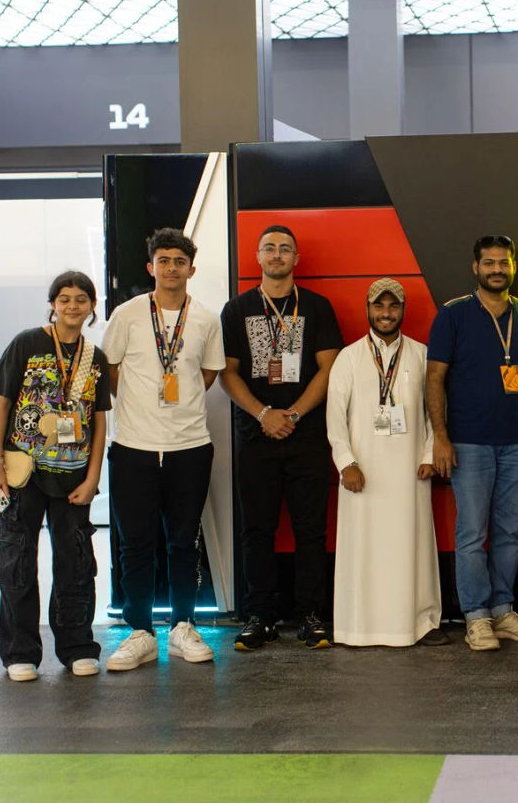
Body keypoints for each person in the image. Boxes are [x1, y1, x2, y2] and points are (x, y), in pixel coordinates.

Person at [101, 228, 226, 671]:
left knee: (182, 543)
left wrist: (175, 405)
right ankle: (139, 632)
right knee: (135, 544)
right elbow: (110, 369)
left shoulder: (207, 319)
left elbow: (208, 375)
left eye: (180, 261)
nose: (171, 268)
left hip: (189, 447)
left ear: (192, 268)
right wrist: (140, 409)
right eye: (164, 260)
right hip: (133, 446)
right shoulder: (128, 315)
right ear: (150, 267)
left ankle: (182, 627)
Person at [427, 234, 518, 651]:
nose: (497, 269)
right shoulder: (454, 315)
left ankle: (502, 611)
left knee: (507, 531)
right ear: (475, 268)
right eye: (489, 263)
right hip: (468, 443)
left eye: (504, 262)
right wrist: (441, 437)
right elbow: (435, 379)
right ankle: (476, 617)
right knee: (470, 533)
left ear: (513, 267)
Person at [0, 271, 111, 681]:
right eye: (65, 299)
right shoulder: (27, 343)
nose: (73, 306)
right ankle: (20, 652)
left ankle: (76, 647)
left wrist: (93, 479)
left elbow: (99, 422)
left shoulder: (96, 357)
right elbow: (1, 405)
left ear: (92, 306)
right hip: (24, 473)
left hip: (73, 478)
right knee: (17, 562)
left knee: (75, 563)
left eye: (81, 300)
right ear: (52, 303)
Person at [219, 225, 342, 651]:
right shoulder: (236, 310)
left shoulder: (317, 307)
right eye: (269, 248)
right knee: (257, 530)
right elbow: (227, 373)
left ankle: (310, 614)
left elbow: (329, 368)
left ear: (296, 259)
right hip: (255, 438)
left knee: (311, 530)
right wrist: (263, 414)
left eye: (284, 249)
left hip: (306, 435)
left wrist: (290, 413)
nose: (276, 255)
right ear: (257, 257)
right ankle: (261, 616)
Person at [326, 278, 447, 647]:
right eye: (379, 306)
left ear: (403, 311)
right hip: (363, 472)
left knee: (413, 548)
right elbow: (335, 417)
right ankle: (358, 628)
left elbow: (434, 412)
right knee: (365, 550)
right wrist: (346, 462)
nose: (386, 313)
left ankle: (420, 624)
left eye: (393, 307)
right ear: (368, 309)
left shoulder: (422, 355)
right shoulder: (349, 357)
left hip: (410, 471)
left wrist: (429, 454)